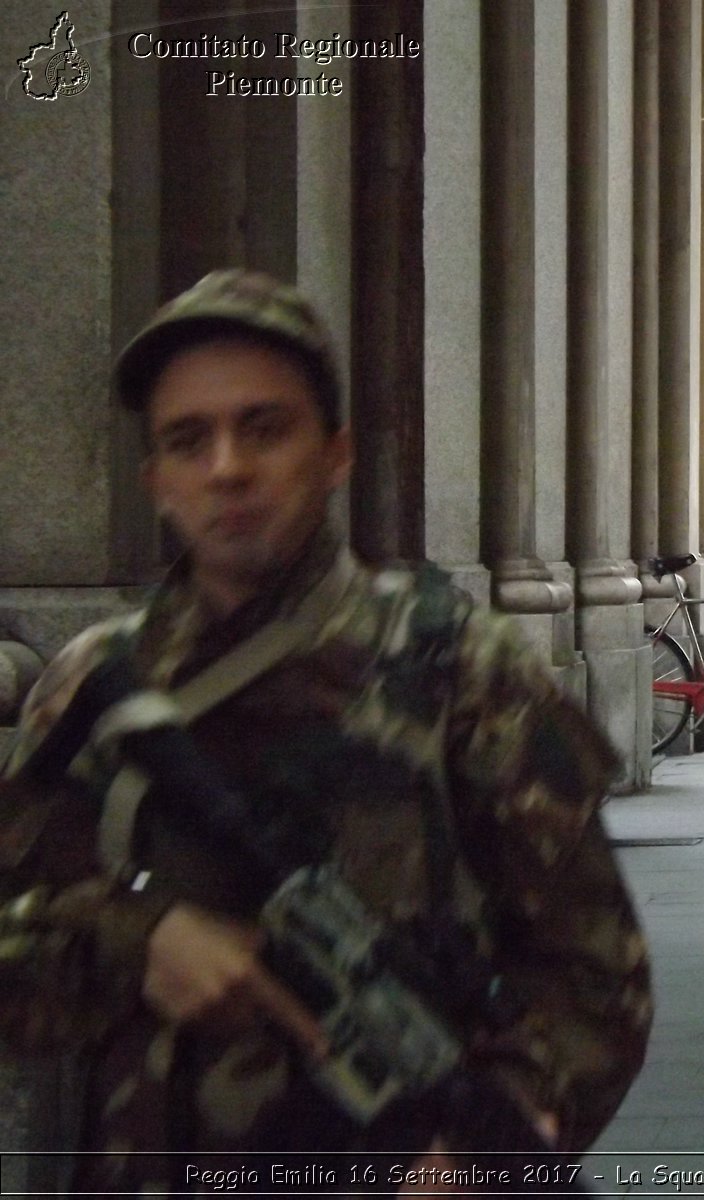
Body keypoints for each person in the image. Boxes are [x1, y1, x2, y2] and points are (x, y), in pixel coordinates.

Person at [0, 270, 652, 1194]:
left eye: (264, 428)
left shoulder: (463, 671)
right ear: (156, 481)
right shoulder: (90, 693)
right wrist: (138, 943)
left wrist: (489, 1140)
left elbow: (595, 978)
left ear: (335, 451)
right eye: (190, 440)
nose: (228, 467)